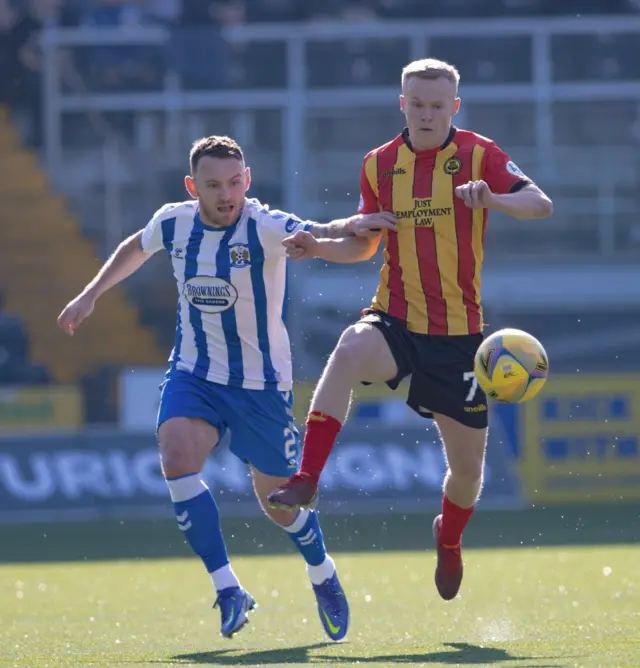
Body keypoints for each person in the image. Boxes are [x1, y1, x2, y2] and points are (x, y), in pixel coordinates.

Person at [56, 135, 395, 640]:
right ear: (193, 187)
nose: (226, 193)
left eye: (234, 182)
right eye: (213, 185)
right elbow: (136, 245)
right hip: (195, 372)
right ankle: (227, 588)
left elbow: (322, 232)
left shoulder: (264, 225)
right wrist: (90, 294)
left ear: (248, 180)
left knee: (280, 504)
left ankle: (321, 572)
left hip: (261, 386)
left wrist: (349, 228)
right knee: (176, 456)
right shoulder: (174, 222)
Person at [267, 58, 553, 602]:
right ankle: (307, 477)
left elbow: (540, 204)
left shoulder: (479, 155)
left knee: (468, 475)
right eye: (416, 104)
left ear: (454, 107)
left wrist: (492, 198)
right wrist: (320, 247)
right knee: (349, 348)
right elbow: (366, 240)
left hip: (459, 339)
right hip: (394, 318)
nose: (426, 114)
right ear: (402, 104)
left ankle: (448, 539)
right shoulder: (379, 164)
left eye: (437, 106)